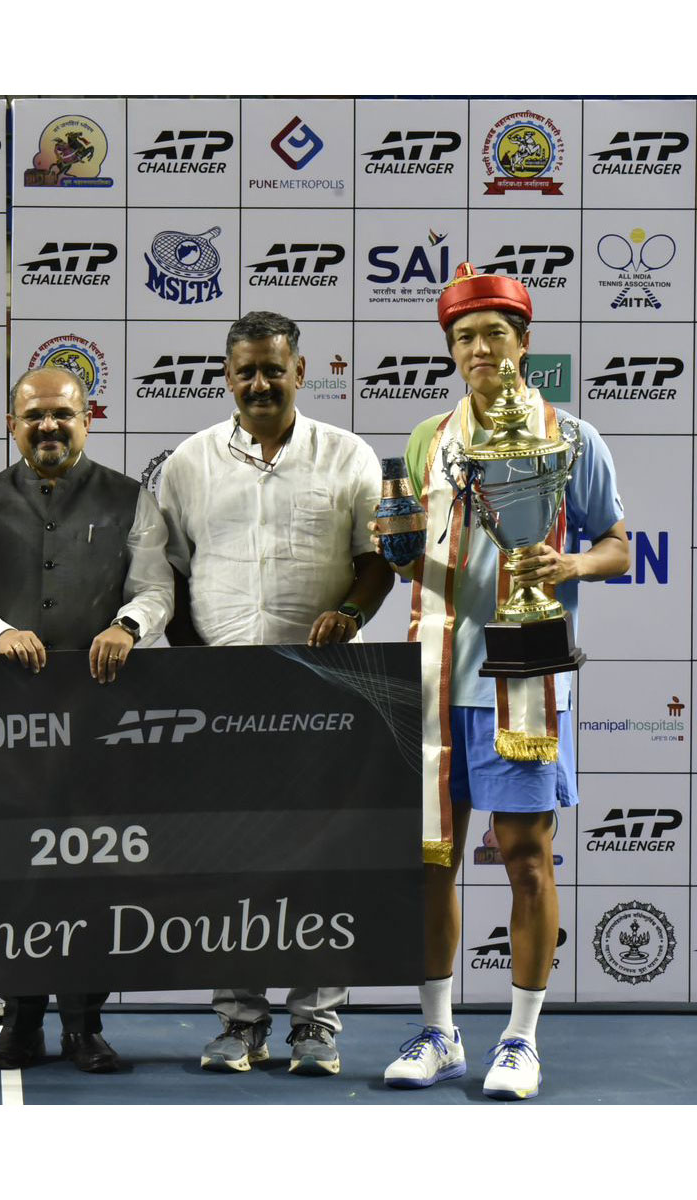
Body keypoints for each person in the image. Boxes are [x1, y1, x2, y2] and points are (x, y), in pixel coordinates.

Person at [379, 265, 628, 1100]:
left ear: (524, 342)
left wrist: (573, 562)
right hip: (434, 670)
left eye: (493, 333)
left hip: (522, 676)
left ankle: (520, 1040)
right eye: (463, 337)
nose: (479, 349)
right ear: (450, 350)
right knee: (431, 861)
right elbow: (411, 541)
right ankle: (438, 1029)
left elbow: (620, 544)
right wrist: (400, 548)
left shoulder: (572, 434)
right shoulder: (427, 438)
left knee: (526, 859)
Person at [156, 310, 392, 1077]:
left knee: (322, 860)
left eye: (273, 368)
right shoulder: (188, 464)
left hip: (324, 694)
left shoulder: (348, 456)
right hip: (221, 697)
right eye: (244, 370)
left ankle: (316, 1026)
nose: (259, 382)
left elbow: (377, 560)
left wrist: (351, 612)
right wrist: (197, 665)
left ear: (301, 370)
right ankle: (239, 1021)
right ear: (226, 377)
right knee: (234, 860)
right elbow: (168, 575)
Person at [0, 365, 173, 1074]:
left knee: (90, 870)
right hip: (6, 720)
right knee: (12, 869)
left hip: (100, 717)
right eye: (33, 415)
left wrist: (128, 625)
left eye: (62, 415)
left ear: (86, 419)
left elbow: (155, 586)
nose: (48, 427)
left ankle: (83, 1024)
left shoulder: (132, 498)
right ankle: (20, 1020)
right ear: (12, 424)